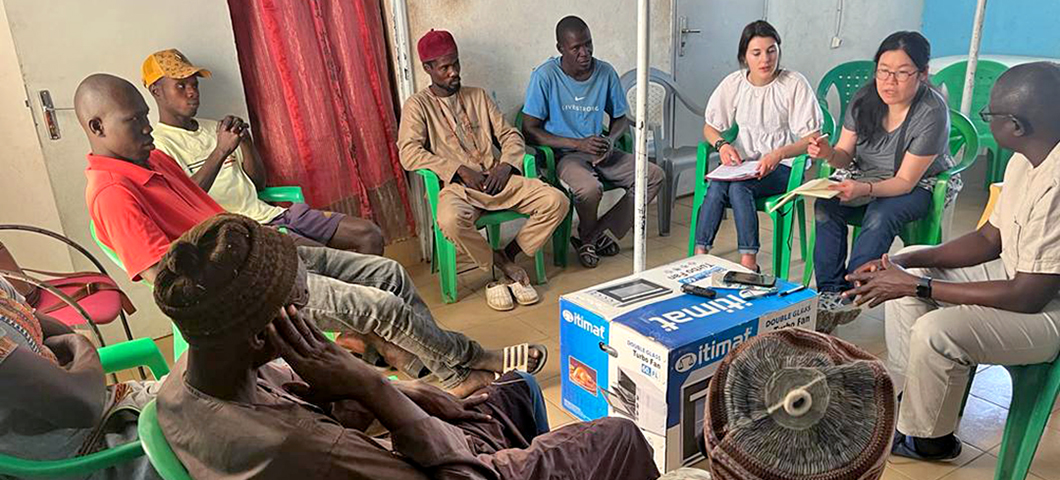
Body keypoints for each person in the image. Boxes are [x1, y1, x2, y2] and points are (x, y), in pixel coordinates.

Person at [74, 73, 544, 398]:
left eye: (142, 116)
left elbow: (201, 209)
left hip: (265, 249)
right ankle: (473, 358)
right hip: (247, 294)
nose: (145, 128)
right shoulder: (111, 194)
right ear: (96, 127)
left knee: (390, 274)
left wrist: (272, 243)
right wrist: (260, 288)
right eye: (133, 120)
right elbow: (171, 286)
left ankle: (446, 372)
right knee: (379, 306)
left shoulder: (151, 159)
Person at [154, 214, 661, 479]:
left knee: (520, 389)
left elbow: (306, 398)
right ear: (263, 335)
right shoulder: (306, 446)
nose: (313, 311)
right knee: (617, 435)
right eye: (301, 303)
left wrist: (409, 392)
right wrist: (377, 389)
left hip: (382, 451)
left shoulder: (188, 377)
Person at [844, 62, 1060, 461]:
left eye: (989, 115)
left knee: (937, 330)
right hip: (1018, 277)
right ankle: (919, 398)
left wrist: (918, 285)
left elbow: (1029, 296)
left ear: (1016, 125)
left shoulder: (1056, 185)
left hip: (1048, 310)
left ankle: (930, 440)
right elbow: (987, 239)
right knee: (906, 270)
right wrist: (909, 262)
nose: (987, 121)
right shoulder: (1025, 159)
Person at [142, 48, 384, 256]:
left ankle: (376, 305)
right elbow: (184, 202)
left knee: (369, 235)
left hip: (272, 215)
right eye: (181, 86)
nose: (192, 92)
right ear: (156, 91)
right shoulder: (158, 147)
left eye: (194, 84)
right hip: (239, 233)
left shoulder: (214, 127)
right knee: (329, 261)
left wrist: (246, 144)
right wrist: (221, 151)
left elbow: (257, 184)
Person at [397, 30, 568, 311]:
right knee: (451, 220)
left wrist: (506, 165)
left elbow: (510, 135)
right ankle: (499, 263)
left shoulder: (478, 96)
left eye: (456, 64)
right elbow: (409, 152)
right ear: (428, 69)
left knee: (556, 201)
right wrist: (459, 170)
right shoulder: (418, 106)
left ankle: (507, 256)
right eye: (445, 67)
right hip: (459, 189)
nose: (453, 73)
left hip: (497, 180)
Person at [806, 31, 959, 333]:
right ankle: (828, 294)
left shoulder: (931, 112)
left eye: (902, 74)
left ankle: (852, 293)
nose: (890, 82)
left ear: (923, 74)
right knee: (826, 206)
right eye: (883, 72)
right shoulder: (864, 99)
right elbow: (844, 156)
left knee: (881, 214)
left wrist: (864, 189)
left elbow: (904, 181)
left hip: (917, 185)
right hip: (862, 177)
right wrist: (828, 154)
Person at [521, 15, 665, 269]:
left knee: (653, 175)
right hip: (567, 155)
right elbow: (530, 130)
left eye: (588, 44)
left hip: (601, 151)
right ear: (561, 48)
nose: (585, 53)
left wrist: (610, 140)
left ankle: (593, 235)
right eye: (576, 47)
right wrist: (578, 145)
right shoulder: (545, 77)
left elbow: (620, 118)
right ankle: (592, 237)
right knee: (589, 189)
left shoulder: (605, 72)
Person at [0, 276, 160, 480]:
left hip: (113, 410)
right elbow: (84, 407)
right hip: (81, 459)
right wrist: (80, 342)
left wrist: (77, 368)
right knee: (207, 434)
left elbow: (52, 330)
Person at [693, 20, 822, 272]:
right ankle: (700, 256)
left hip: (784, 166)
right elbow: (710, 127)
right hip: (744, 165)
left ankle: (749, 264)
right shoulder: (734, 83)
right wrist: (721, 145)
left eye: (771, 50)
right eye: (757, 53)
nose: (766, 59)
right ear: (744, 57)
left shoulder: (793, 83)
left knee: (739, 188)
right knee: (719, 184)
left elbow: (812, 137)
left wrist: (779, 154)